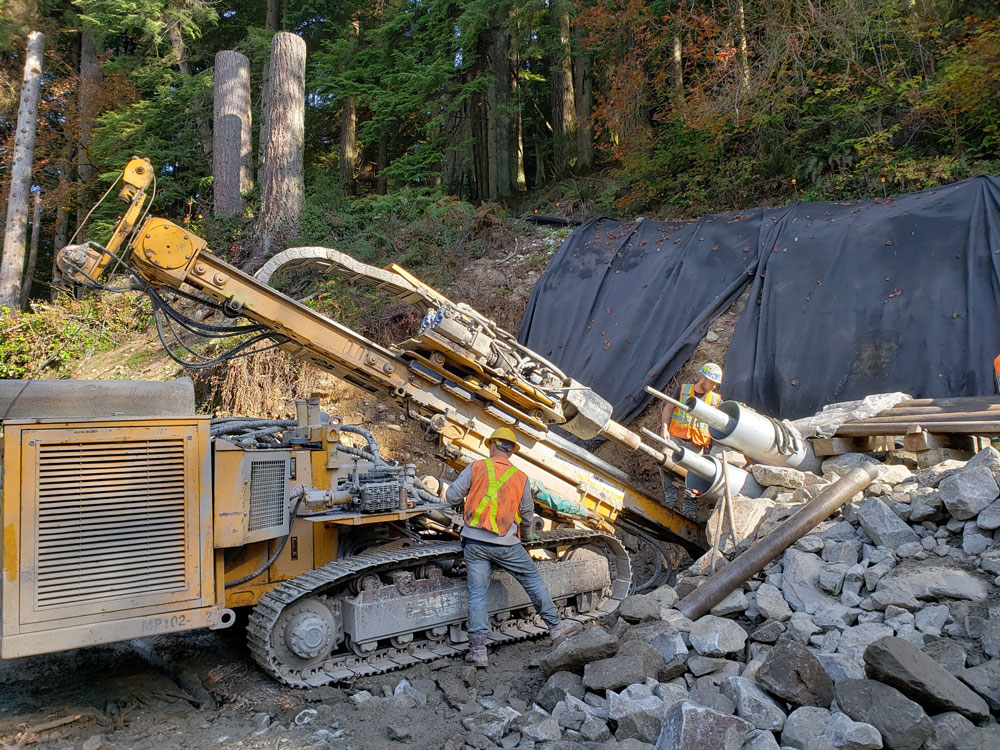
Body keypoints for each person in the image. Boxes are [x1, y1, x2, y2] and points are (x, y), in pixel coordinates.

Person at [445, 427, 581, 667]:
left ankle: (478, 651)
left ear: (492, 445)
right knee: (532, 580)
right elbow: (527, 513)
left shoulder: (476, 467)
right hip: (507, 545)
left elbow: (451, 497)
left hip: (475, 544)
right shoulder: (520, 477)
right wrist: (526, 537)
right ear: (511, 452)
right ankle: (556, 628)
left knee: (477, 594)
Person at [661, 362, 723, 454]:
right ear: (703, 378)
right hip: (676, 440)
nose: (714, 386)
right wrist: (664, 429)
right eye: (712, 382)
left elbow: (727, 415)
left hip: (696, 447)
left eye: (716, 384)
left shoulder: (716, 400)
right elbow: (668, 409)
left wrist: (741, 407)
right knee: (666, 459)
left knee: (691, 469)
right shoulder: (682, 390)